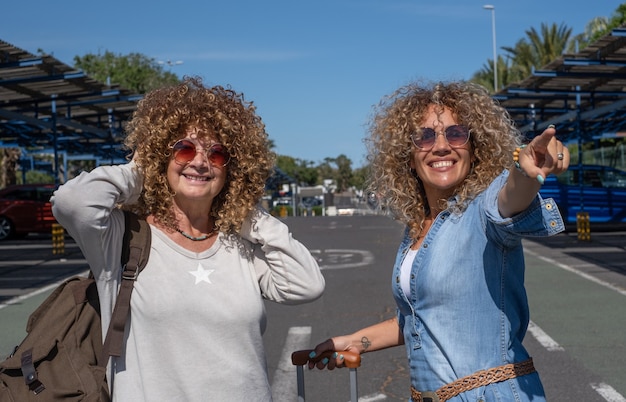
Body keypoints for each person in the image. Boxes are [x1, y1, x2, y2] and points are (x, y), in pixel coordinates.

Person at [51, 76, 325, 401]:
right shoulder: (122, 238)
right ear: (160, 156)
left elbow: (306, 284)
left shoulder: (239, 246)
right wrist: (140, 170)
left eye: (218, 154)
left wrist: (246, 213)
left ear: (232, 170)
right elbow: (73, 202)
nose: (200, 161)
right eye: (184, 148)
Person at [307, 80, 569, 402]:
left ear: (475, 146)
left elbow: (510, 197)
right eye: (425, 136)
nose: (441, 146)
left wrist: (526, 171)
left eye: (456, 134)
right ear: (409, 154)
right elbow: (421, 319)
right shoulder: (418, 228)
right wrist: (356, 341)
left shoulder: (483, 208)